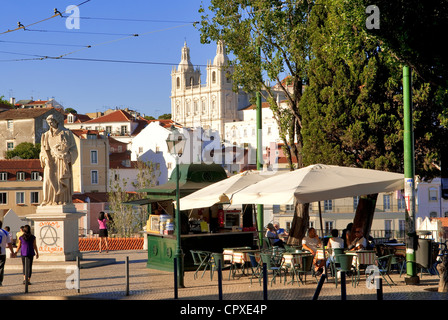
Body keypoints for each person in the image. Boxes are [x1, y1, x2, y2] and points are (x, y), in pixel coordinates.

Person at [40, 114, 78, 206]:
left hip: (62, 161)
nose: (50, 125)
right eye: (48, 123)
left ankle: (61, 200)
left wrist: (66, 156)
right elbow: (42, 151)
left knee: (61, 181)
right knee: (48, 181)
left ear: (56, 121)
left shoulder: (67, 133)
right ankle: (49, 200)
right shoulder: (45, 135)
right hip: (50, 161)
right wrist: (45, 159)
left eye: (52, 122)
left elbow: (74, 149)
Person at [0, 221, 15, 286]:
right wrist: (12, 252)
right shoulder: (5, 233)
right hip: (2, 252)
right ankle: (0, 281)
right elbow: (9, 244)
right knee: (1, 267)